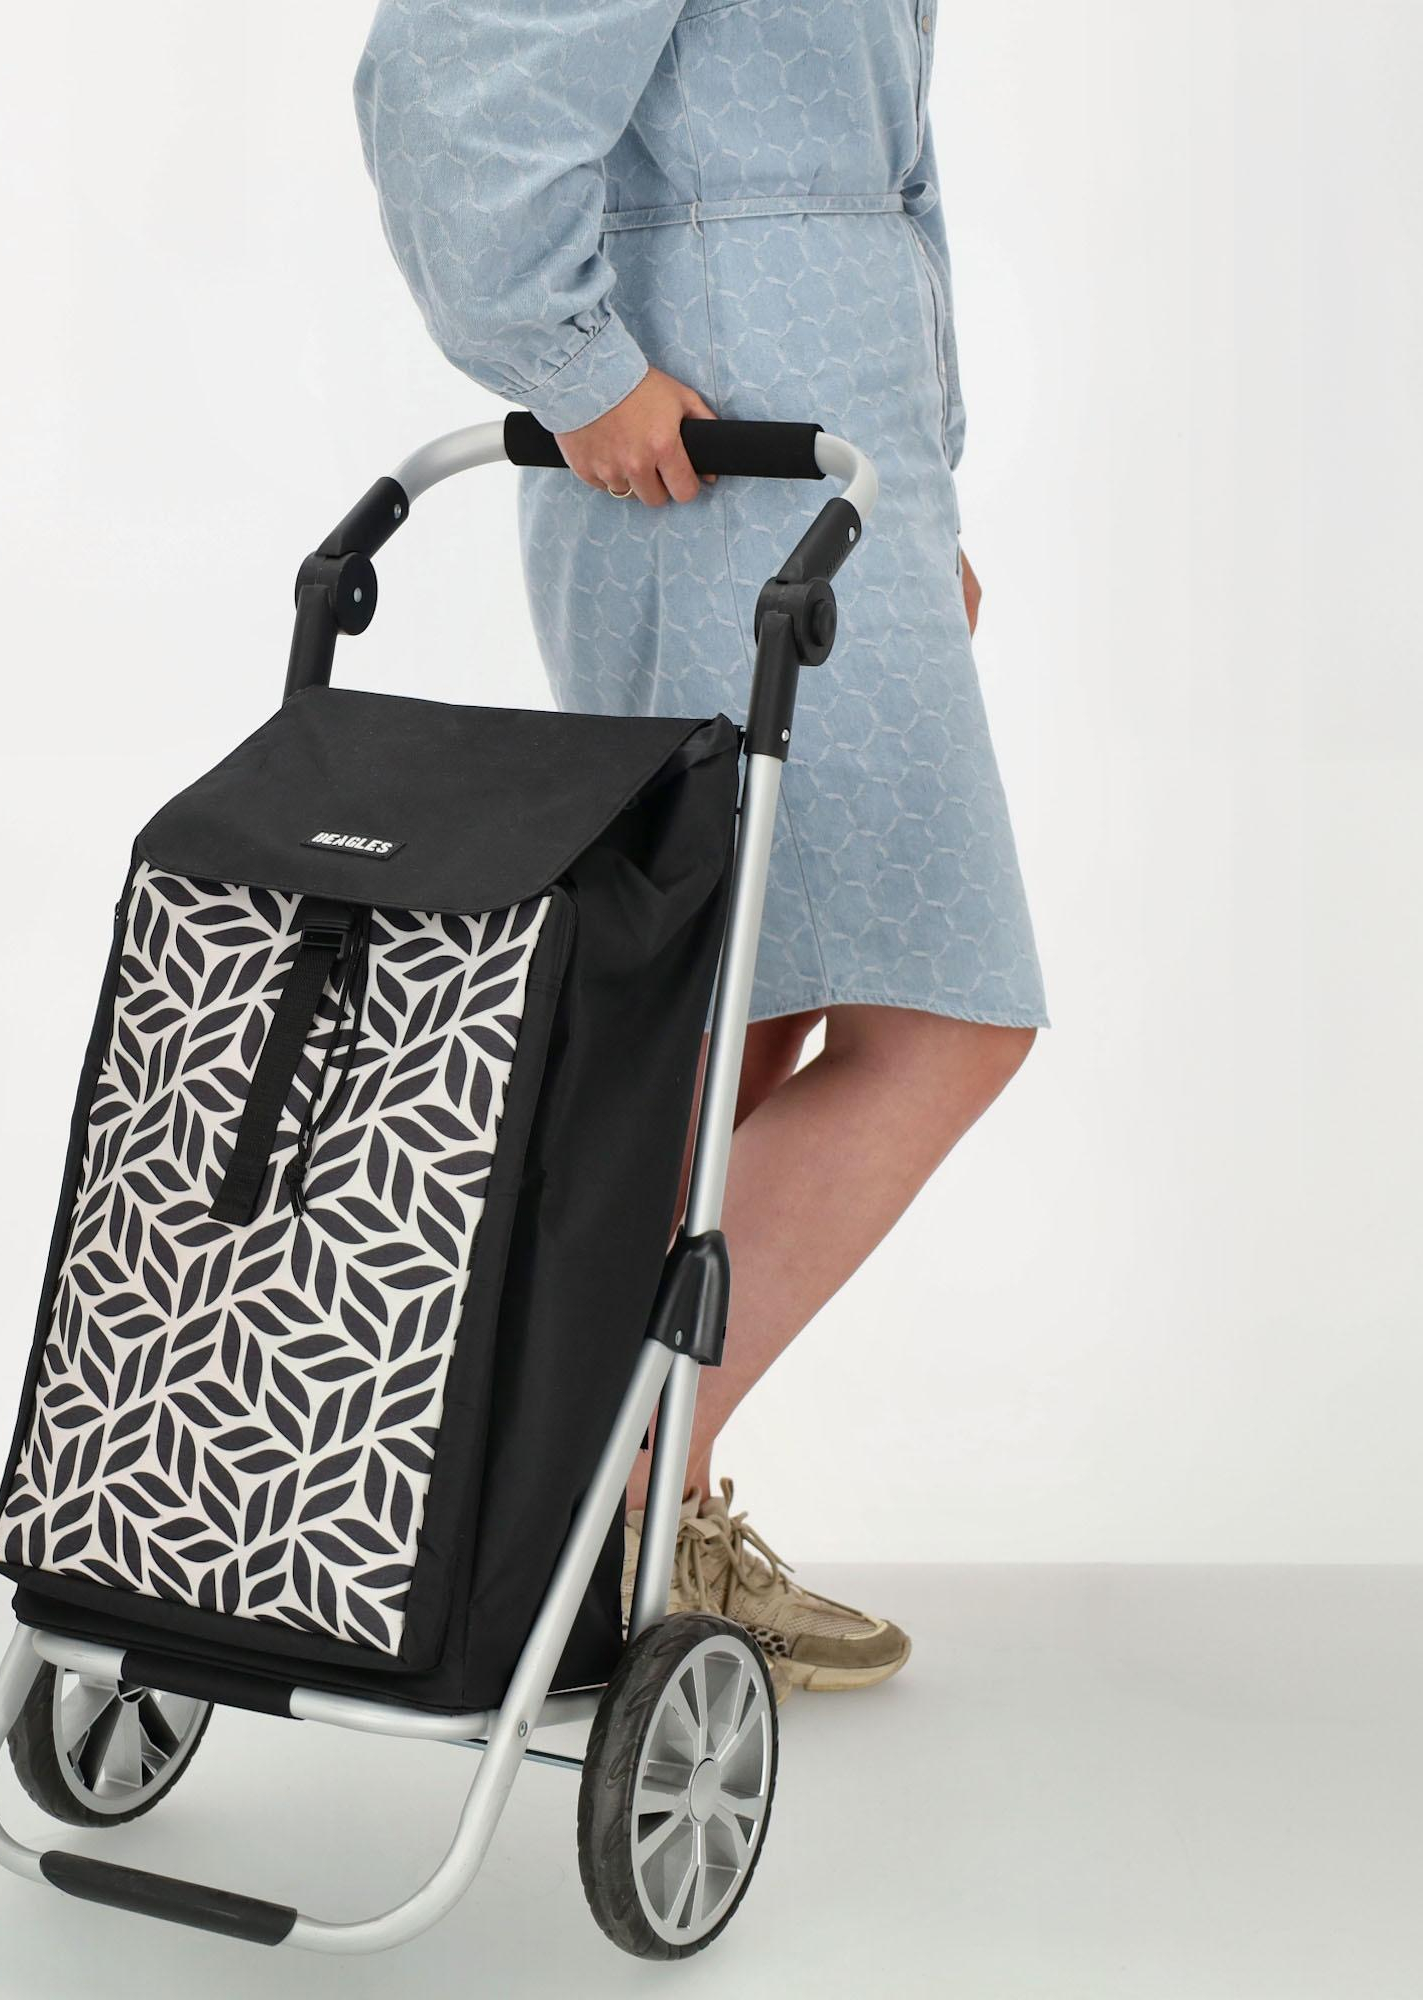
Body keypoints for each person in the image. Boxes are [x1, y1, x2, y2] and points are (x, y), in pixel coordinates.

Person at [355, 0, 1045, 1699]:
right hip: (712, 453)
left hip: (820, 450)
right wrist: (576, 365)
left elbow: (886, 165)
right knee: (938, 1019)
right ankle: (606, 1508)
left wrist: (922, 485)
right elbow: (452, 74)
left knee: (741, 1015)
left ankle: (590, 1518)